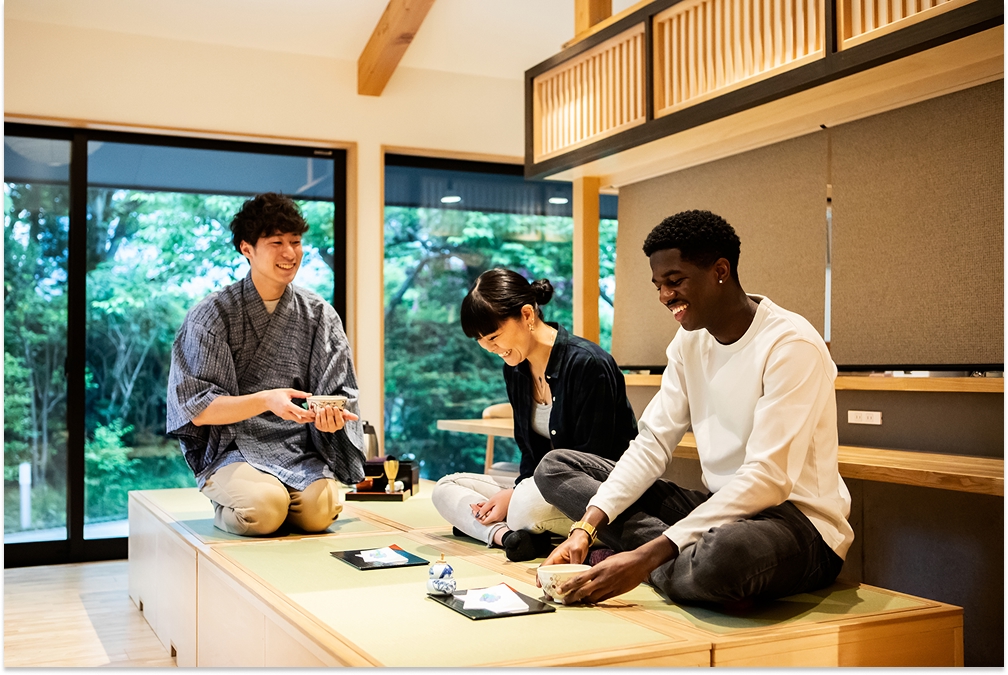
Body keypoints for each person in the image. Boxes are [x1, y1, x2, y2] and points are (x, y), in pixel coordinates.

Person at [535, 210, 852, 606]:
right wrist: (585, 528)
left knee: (724, 557)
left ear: (720, 270)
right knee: (556, 467)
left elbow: (768, 478)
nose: (666, 296)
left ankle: (648, 560)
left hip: (797, 524)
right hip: (718, 508)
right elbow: (652, 443)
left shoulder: (791, 345)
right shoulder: (689, 343)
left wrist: (646, 554)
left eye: (675, 281)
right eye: (658, 286)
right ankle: (668, 558)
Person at [167, 193, 365, 536]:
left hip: (297, 447)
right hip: (233, 448)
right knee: (265, 509)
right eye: (276, 242)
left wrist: (331, 421)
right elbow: (195, 407)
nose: (289, 253)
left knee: (320, 513)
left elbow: (339, 392)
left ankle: (281, 501)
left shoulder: (319, 314)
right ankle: (230, 506)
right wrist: (265, 400)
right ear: (247, 249)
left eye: (296, 242)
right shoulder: (212, 314)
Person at [431, 268, 639, 562]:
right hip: (539, 487)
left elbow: (595, 460)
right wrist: (516, 490)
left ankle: (515, 527)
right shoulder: (515, 369)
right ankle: (510, 538)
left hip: (594, 496)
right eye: (481, 341)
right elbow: (530, 455)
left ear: (527, 315)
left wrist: (516, 495)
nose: (491, 349)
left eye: (494, 336)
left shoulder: (588, 364)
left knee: (524, 506)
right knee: (445, 488)